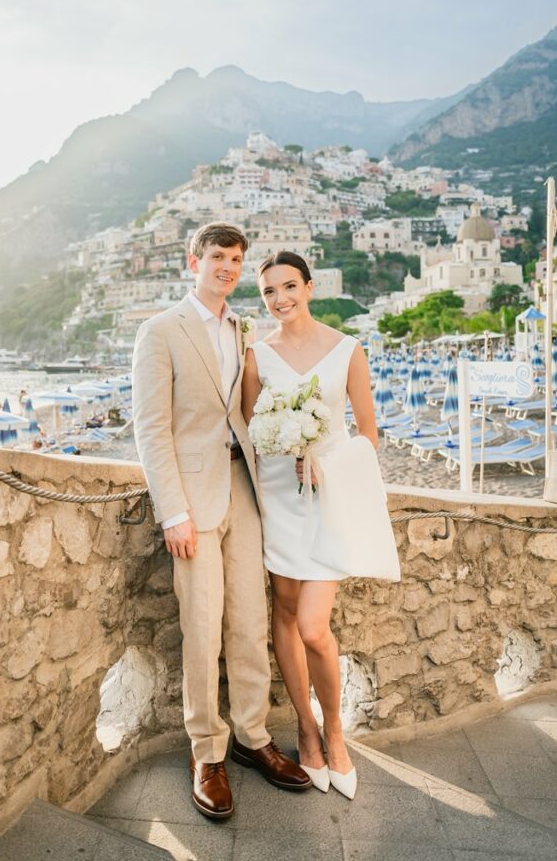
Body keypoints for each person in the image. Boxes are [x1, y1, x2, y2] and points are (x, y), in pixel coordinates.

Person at [133, 223, 311, 821]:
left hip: (244, 489)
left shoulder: (243, 328)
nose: (228, 267)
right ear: (194, 261)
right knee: (203, 627)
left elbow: (248, 410)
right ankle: (205, 751)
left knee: (250, 618)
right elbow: (152, 429)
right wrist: (173, 512)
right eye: (217, 257)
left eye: (236, 259)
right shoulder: (160, 331)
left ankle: (252, 736)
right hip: (193, 500)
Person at [242, 250, 401, 800]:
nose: (280, 299)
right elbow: (250, 434)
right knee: (283, 615)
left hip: (328, 500)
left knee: (313, 626)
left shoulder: (347, 350)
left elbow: (369, 436)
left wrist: (324, 461)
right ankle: (304, 732)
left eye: (289, 286)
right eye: (269, 292)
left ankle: (335, 731)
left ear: (309, 287)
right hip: (280, 504)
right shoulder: (256, 357)